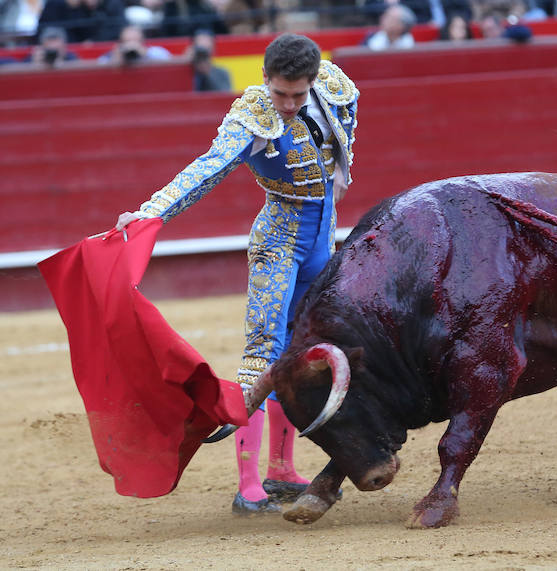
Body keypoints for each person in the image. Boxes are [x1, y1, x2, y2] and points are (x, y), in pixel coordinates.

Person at [114, 33, 359, 515]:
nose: (287, 104)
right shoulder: (251, 116)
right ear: (264, 78)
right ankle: (248, 487)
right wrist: (149, 214)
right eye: (279, 93)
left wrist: (341, 170)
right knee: (262, 355)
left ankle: (281, 469)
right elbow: (207, 169)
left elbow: (346, 122)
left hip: (322, 238)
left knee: (298, 353)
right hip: (278, 243)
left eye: (297, 94)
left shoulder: (332, 86)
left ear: (313, 81)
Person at [37, 0, 126, 43]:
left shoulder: (112, 4)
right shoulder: (55, 5)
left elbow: (116, 29)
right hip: (65, 49)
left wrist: (93, 40)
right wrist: (70, 7)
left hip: (106, 48)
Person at [98, 24, 172, 65]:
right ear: (121, 43)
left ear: (142, 41)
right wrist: (115, 59)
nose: (131, 45)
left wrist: (146, 55)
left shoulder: (156, 52)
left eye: (135, 41)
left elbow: (170, 63)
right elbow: (98, 66)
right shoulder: (111, 55)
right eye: (127, 41)